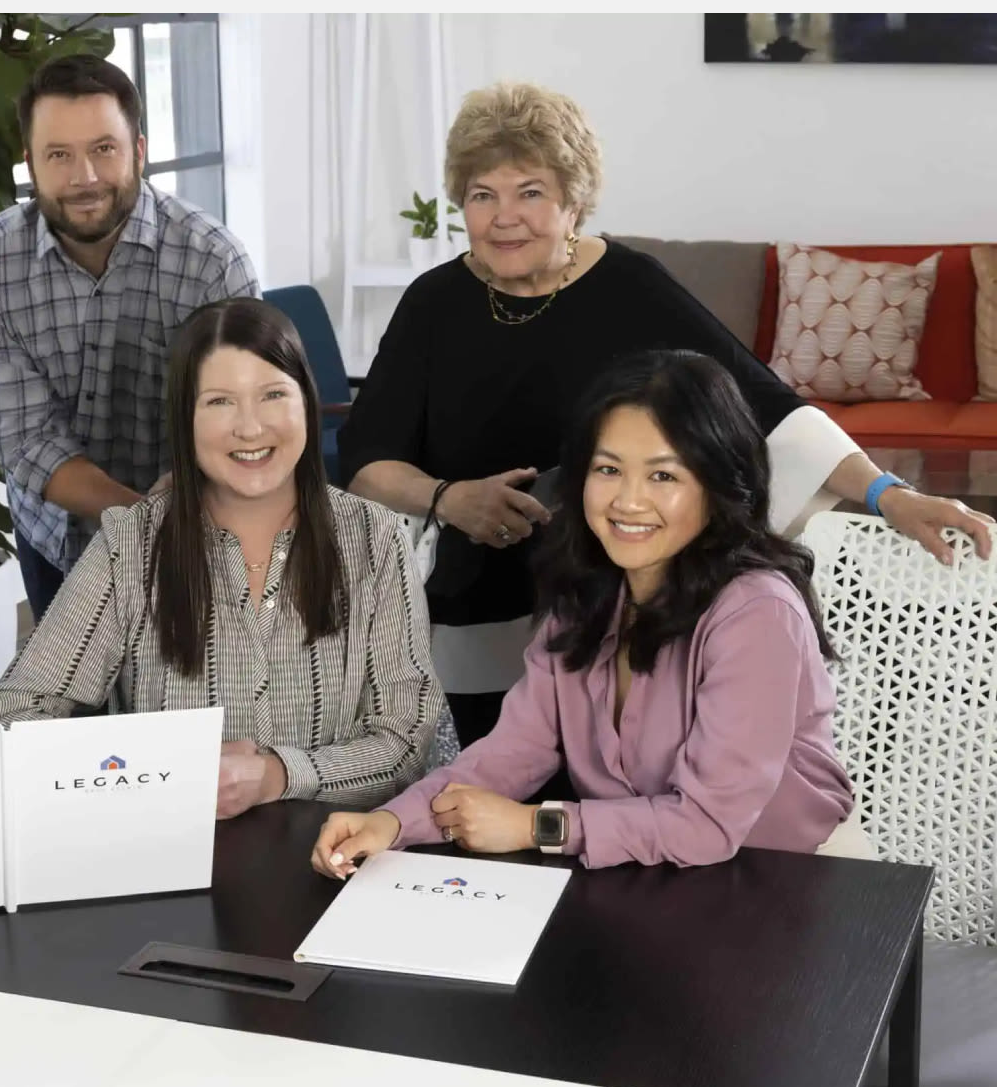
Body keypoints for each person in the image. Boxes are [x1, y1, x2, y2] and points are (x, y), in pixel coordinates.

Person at [338, 80, 993, 750]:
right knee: (490, 784)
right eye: (483, 195)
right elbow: (366, 462)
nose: (505, 217)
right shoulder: (433, 303)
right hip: (472, 613)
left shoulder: (630, 285)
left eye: (530, 192)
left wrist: (891, 496)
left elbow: (770, 411)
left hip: (618, 617)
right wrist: (450, 499)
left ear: (574, 204)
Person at [313, 351, 869, 877]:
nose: (627, 501)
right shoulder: (587, 591)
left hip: (793, 880)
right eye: (608, 470)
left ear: (721, 485)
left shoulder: (757, 612)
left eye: (664, 476)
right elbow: (515, 750)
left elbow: (707, 824)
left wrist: (537, 825)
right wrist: (392, 822)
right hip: (653, 874)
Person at [0, 299, 444, 818]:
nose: (250, 428)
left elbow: (407, 740)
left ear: (306, 404)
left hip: (329, 854)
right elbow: (11, 716)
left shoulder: (374, 537)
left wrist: (278, 775)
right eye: (220, 402)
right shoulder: (131, 544)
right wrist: (152, 770)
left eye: (272, 395)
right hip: (165, 856)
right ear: (185, 419)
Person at [0, 55, 260, 622]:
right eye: (59, 155)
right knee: (78, 705)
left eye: (103, 149)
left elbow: (245, 420)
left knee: (194, 700)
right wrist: (138, 521)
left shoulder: (213, 262)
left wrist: (174, 519)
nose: (84, 177)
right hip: (56, 537)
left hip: (197, 529)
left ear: (138, 151)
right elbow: (27, 442)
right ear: (30, 164)